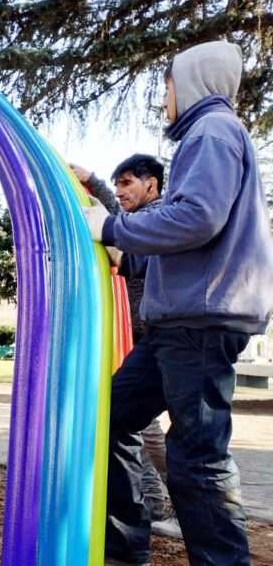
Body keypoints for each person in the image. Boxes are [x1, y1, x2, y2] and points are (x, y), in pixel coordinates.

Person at [83, 41, 273, 566]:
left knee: (197, 458)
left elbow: (197, 218)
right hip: (180, 323)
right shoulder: (208, 135)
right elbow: (185, 231)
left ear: (190, 82)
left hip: (201, 321)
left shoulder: (210, 131)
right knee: (112, 416)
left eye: (166, 85)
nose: (163, 97)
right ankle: (125, 550)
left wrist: (114, 227)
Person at [71, 155, 182, 539]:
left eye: (127, 184)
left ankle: (175, 508)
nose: (119, 193)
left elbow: (123, 235)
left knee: (175, 434)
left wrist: (95, 181)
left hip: (172, 337)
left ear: (151, 185)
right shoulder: (141, 221)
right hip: (144, 338)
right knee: (129, 421)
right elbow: (118, 224)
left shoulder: (161, 220)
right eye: (116, 185)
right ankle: (149, 507)